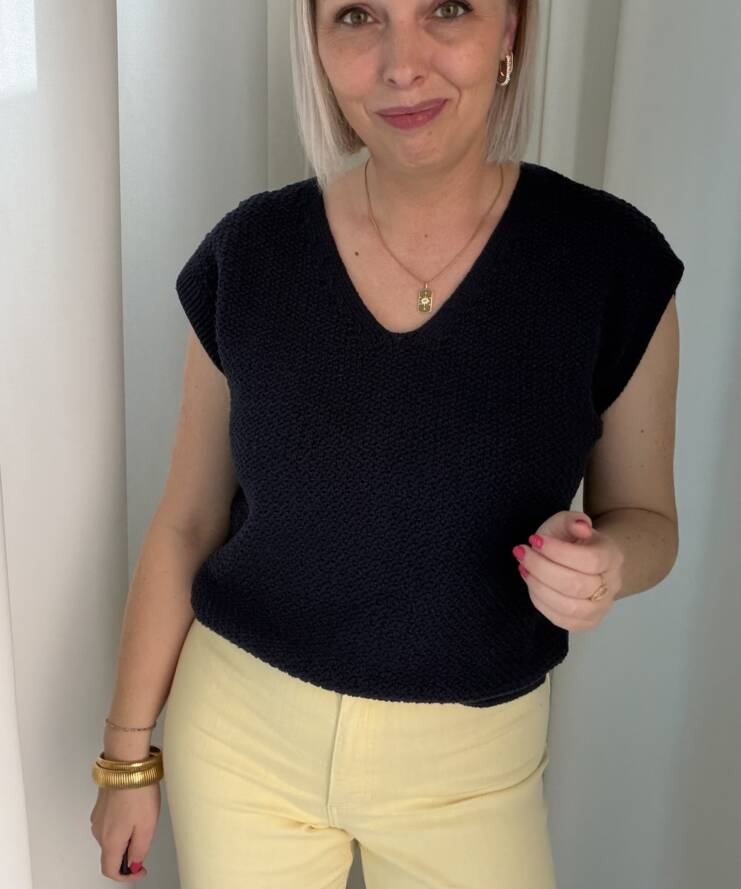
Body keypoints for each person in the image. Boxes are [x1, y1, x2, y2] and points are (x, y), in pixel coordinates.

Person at [89, 0, 685, 886]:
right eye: (357, 15)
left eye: (447, 9)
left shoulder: (609, 262)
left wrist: (608, 564)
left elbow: (647, 518)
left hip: (472, 768)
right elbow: (188, 521)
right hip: (241, 741)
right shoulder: (249, 255)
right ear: (315, 40)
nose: (402, 64)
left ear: (510, 28)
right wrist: (127, 755)